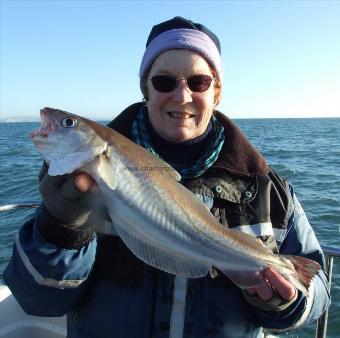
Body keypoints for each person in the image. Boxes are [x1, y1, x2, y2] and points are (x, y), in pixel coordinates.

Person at [4, 16, 330, 338]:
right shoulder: (77, 183)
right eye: (164, 82)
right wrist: (61, 227)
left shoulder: (266, 188)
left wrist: (283, 302)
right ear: (146, 88)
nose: (182, 95)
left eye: (198, 82)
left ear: (216, 92)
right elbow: (39, 299)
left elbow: (316, 289)